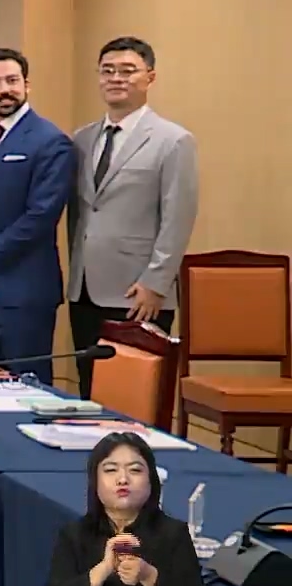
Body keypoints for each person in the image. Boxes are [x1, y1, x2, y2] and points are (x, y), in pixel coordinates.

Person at [67, 37, 200, 399]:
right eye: (107, 71)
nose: (116, 78)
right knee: (89, 391)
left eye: (127, 71)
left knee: (135, 398)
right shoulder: (82, 139)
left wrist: (156, 282)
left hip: (138, 292)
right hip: (84, 288)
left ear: (150, 77)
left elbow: (178, 217)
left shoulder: (173, 140)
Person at [0, 49, 75, 385]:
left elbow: (41, 215)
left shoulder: (51, 142)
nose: (4, 89)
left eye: (12, 81)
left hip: (24, 294)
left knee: (27, 392)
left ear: (26, 85)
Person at [46, 432, 205, 586]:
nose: (123, 479)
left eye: (135, 470)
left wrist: (148, 576)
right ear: (94, 482)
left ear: (152, 481)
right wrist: (103, 569)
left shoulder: (173, 533)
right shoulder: (74, 535)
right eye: (110, 470)